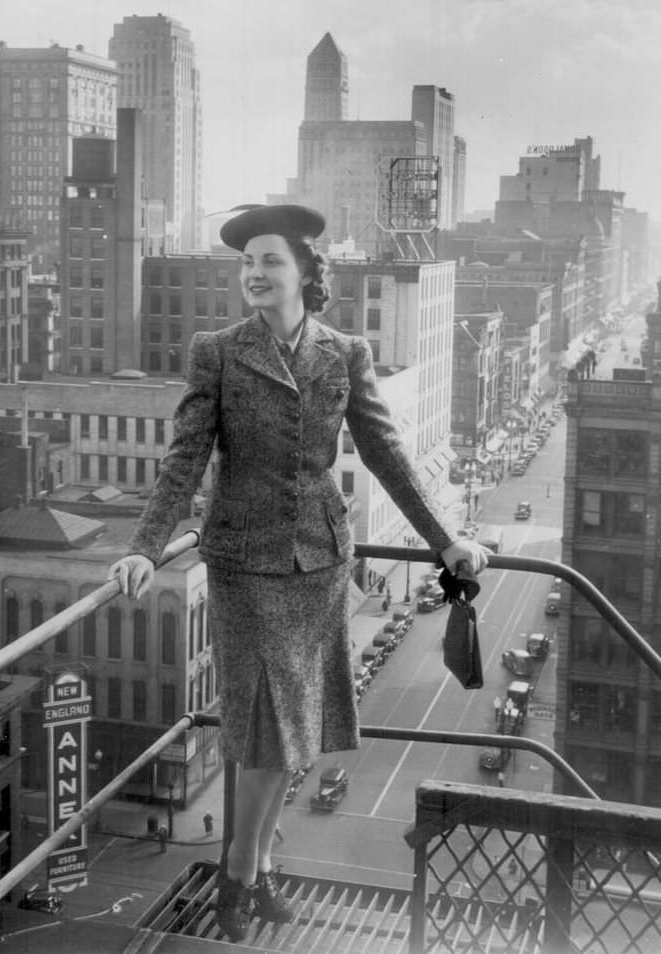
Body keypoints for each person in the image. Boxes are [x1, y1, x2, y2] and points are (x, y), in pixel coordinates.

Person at [107, 203, 488, 942]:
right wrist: (144, 546)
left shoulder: (345, 353)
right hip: (244, 566)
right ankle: (243, 874)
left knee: (296, 731)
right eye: (246, 262)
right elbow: (185, 458)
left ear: (307, 272)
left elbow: (385, 453)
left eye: (270, 260)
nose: (254, 273)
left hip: (318, 562)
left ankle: (251, 872)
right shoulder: (215, 350)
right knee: (268, 728)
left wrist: (445, 542)